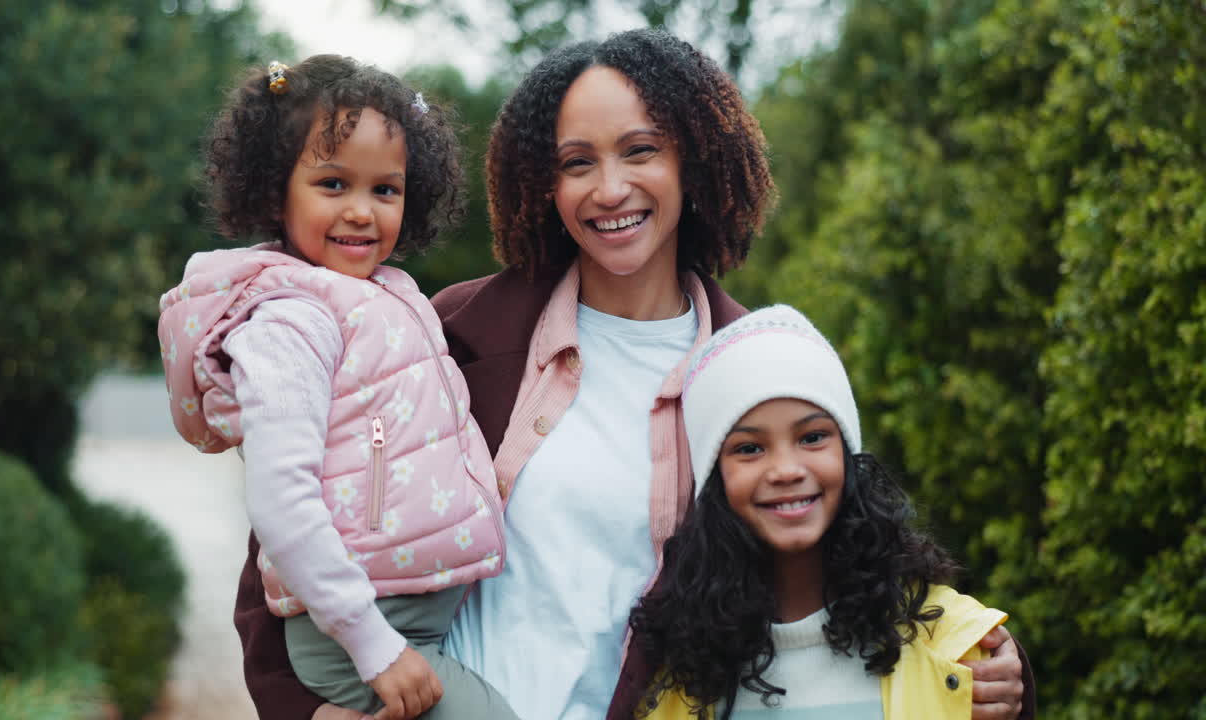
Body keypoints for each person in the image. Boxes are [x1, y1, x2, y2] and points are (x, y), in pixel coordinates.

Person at [232, 29, 1033, 720]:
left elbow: (832, 562)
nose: (610, 189)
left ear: (695, 159)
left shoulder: (757, 365)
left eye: (641, 150)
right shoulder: (451, 335)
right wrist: (310, 713)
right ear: (546, 185)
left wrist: (971, 655)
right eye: (577, 162)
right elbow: (296, 535)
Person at [157, 55, 517, 720]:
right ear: (274, 192)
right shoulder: (289, 320)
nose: (362, 212)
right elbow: (279, 499)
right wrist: (371, 644)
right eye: (332, 183)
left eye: (385, 190)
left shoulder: (384, 293)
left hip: (401, 616)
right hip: (358, 632)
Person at [609, 304, 1029, 719]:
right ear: (714, 477)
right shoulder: (674, 678)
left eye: (812, 437)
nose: (787, 470)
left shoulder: (959, 652)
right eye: (749, 448)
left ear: (848, 455)